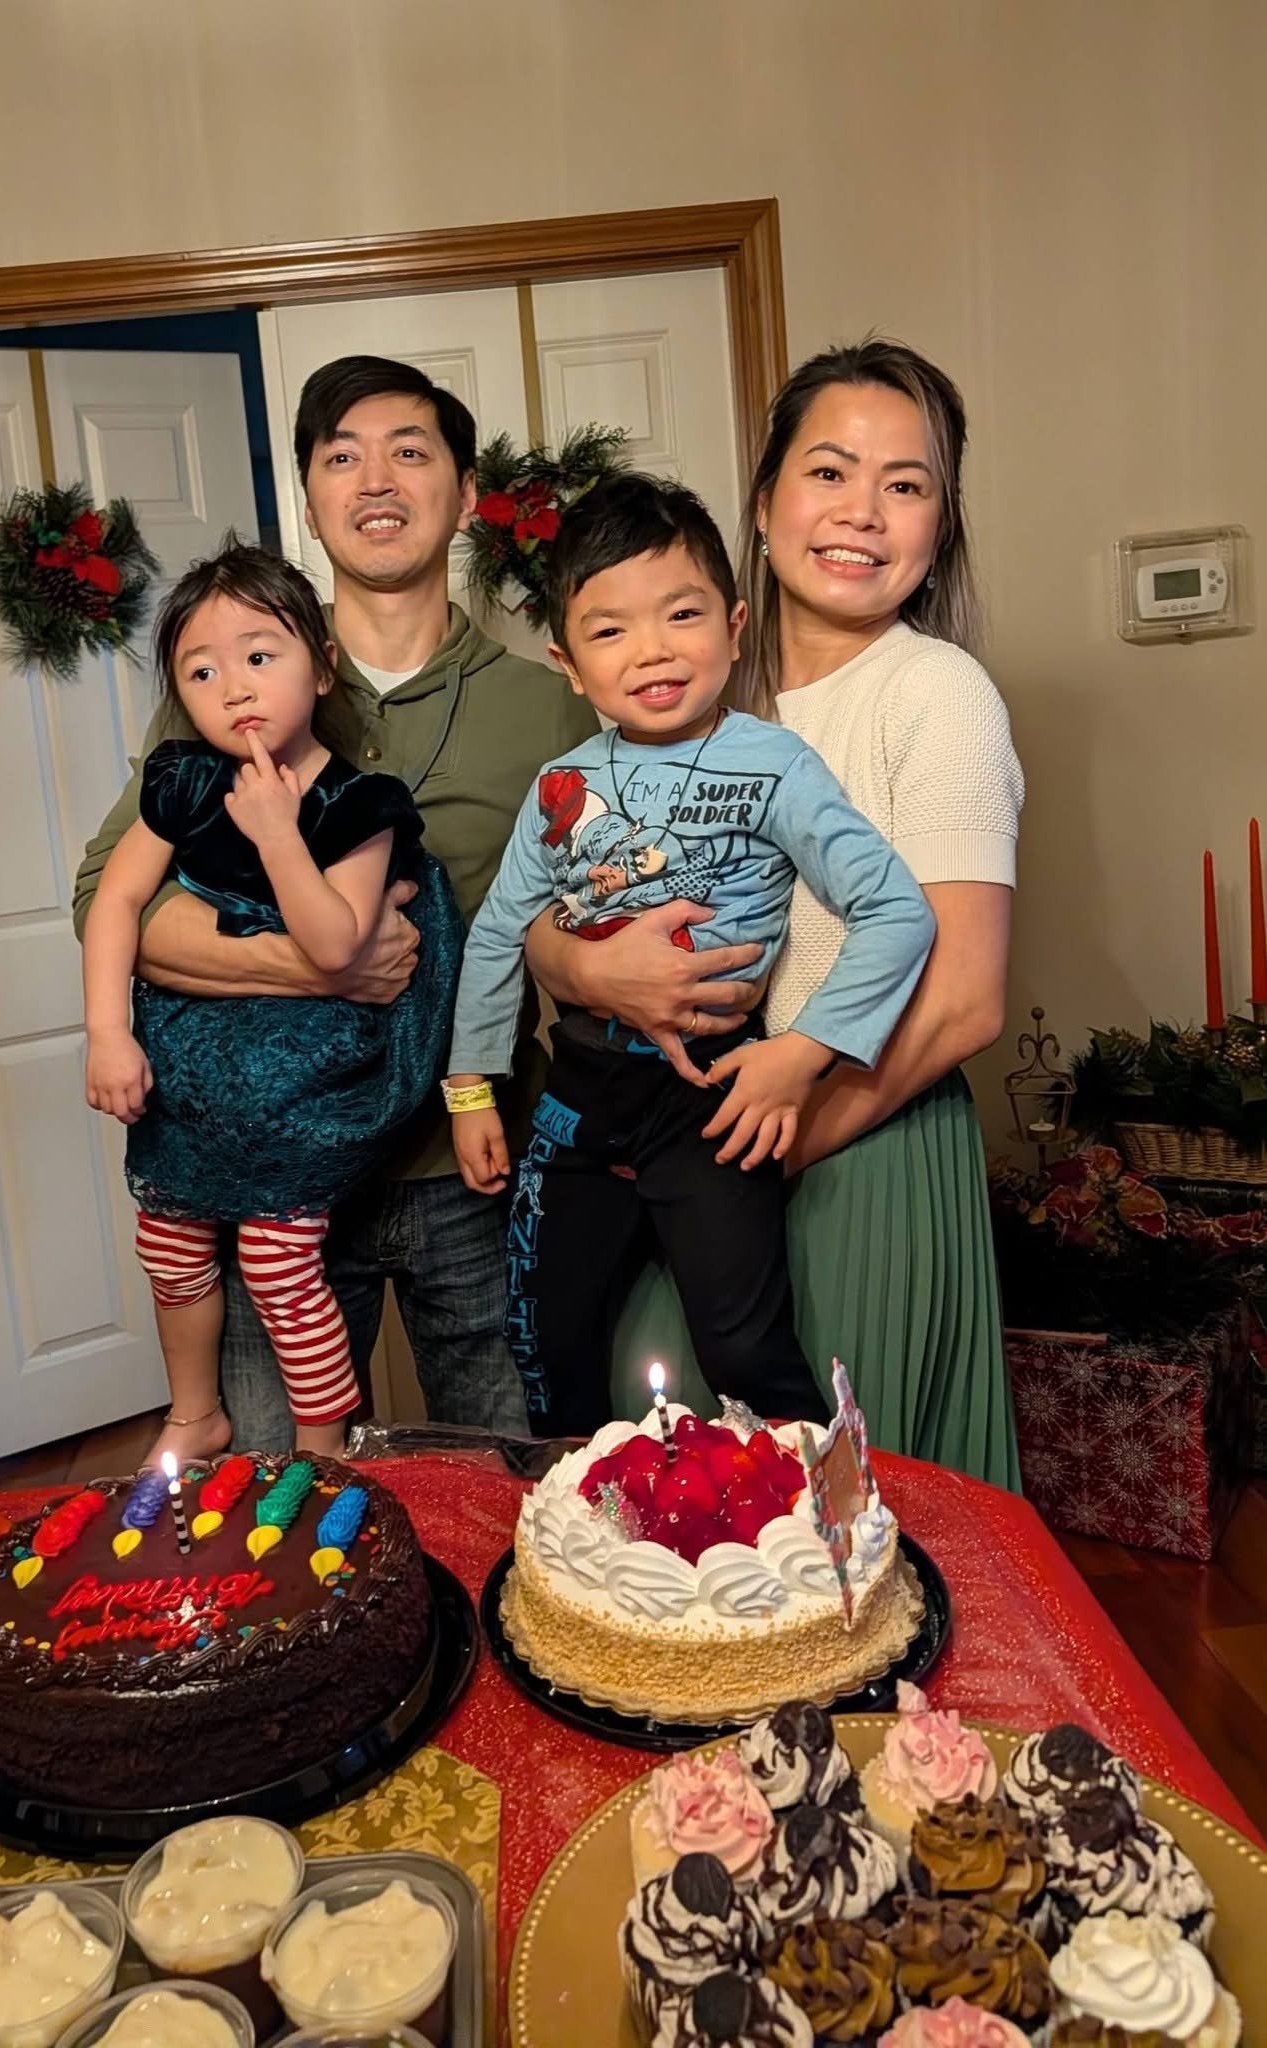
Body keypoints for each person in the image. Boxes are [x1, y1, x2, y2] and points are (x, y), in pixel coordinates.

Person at [73, 356, 616, 1449]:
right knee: (280, 1493)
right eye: (341, 456)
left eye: (409, 450)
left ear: (466, 493)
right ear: (311, 500)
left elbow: (595, 907)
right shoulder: (238, 677)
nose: (376, 479)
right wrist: (310, 962)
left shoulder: (550, 711)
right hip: (269, 1160)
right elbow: (112, 897)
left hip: (471, 1166)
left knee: (507, 1477)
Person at [528, 341, 1025, 1489]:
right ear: (762, 503)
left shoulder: (932, 692)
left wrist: (779, 1137)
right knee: (684, 1487)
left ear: (939, 527)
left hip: (858, 1140)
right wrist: (586, 968)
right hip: (697, 1142)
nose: (862, 511)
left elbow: (962, 1001)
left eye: (906, 484)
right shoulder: (698, 691)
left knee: (838, 1512)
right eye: (830, 471)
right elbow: (561, 898)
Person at [446, 473, 936, 1437]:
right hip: (579, 1089)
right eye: (611, 629)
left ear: (735, 623)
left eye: (682, 614)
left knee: (744, 1349)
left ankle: (807, 1544)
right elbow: (502, 931)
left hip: (715, 1095)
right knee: (544, 1338)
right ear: (569, 663)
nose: (654, 650)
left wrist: (802, 1057)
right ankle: (577, 1537)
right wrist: (470, 1092)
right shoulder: (561, 785)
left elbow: (897, 912)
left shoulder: (776, 762)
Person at [83, 540, 462, 1463]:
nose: (234, 687)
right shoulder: (178, 783)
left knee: (277, 1264)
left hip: (308, 1086)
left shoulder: (360, 802)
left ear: (322, 662)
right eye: (201, 670)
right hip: (191, 1081)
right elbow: (116, 902)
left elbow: (337, 946)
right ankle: (192, 1411)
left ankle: (323, 1447)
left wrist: (276, 833)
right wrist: (105, 1035)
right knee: (169, 1244)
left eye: (260, 655)